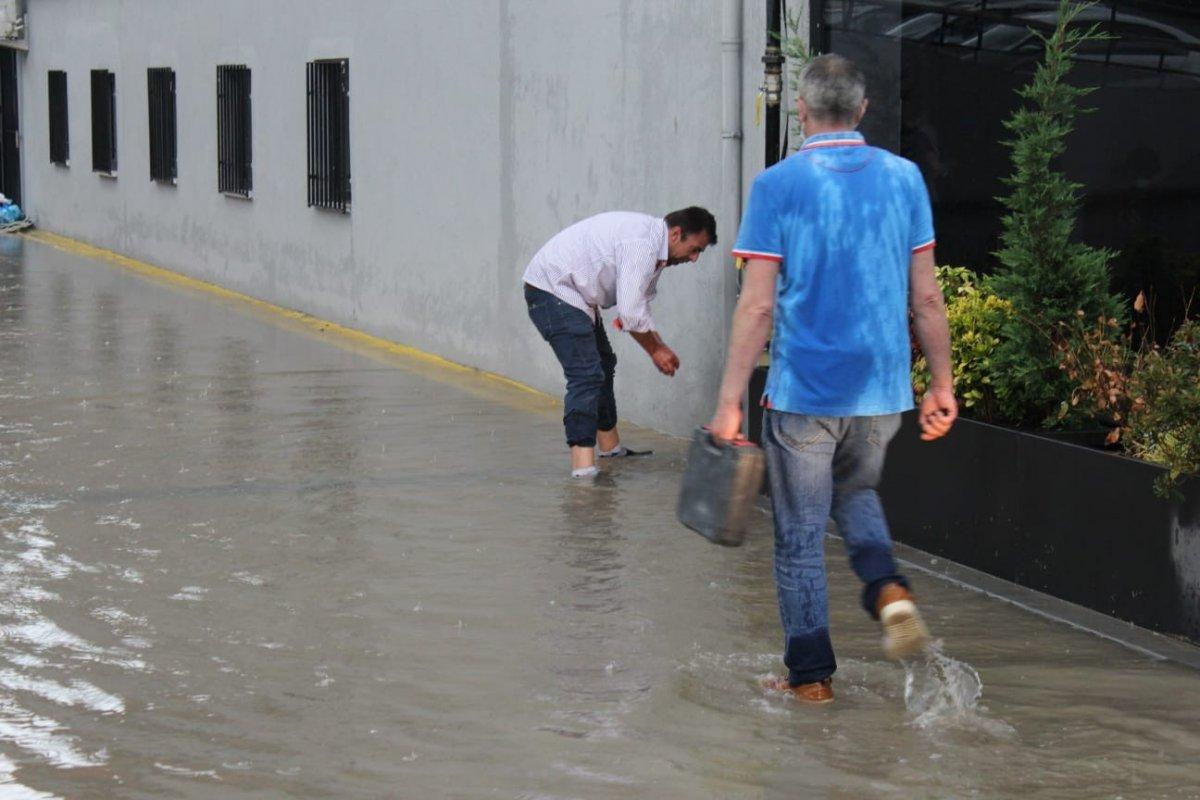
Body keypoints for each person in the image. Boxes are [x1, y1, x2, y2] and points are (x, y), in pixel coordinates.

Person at [709, 54, 956, 704]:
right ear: (863, 110)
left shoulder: (779, 184)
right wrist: (942, 385)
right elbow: (926, 299)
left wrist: (729, 402)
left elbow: (757, 305)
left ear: (802, 111)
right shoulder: (904, 179)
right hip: (880, 391)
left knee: (797, 537)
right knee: (856, 492)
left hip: (805, 393)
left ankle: (810, 679)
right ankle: (886, 588)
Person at [525, 207, 717, 478]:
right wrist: (655, 350)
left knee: (603, 363)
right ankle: (583, 472)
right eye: (695, 249)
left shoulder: (656, 250)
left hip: (573, 295)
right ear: (676, 234)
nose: (695, 258)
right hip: (553, 291)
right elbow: (629, 313)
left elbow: (639, 307)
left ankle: (611, 449)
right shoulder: (643, 245)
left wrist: (658, 346)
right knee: (586, 374)